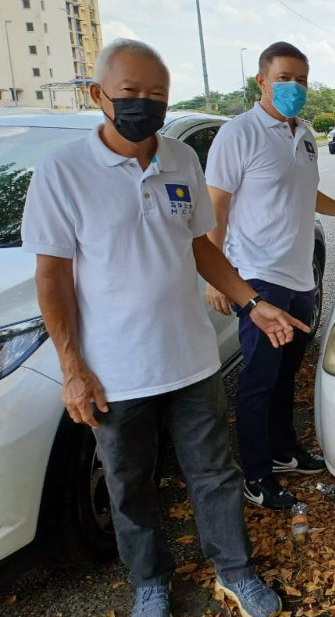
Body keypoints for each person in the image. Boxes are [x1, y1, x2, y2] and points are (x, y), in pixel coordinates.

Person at [21, 39, 303, 617]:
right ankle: (149, 582)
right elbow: (51, 275)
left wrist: (252, 303)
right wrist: (71, 368)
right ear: (100, 95)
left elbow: (200, 245)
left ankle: (235, 571)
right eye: (130, 93)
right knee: (129, 485)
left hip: (191, 358)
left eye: (156, 94)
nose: (143, 104)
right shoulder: (63, 171)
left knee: (214, 474)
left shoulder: (181, 158)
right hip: (114, 371)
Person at [205, 42, 335, 510]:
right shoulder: (238, 135)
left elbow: (307, 193)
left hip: (301, 278)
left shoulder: (302, 133)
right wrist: (218, 277)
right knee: (258, 380)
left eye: (302, 79)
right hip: (259, 279)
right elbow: (215, 206)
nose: (295, 87)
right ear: (261, 80)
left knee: (285, 376)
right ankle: (256, 474)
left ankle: (283, 452)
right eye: (285, 77)